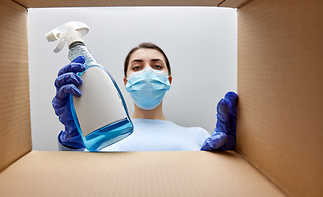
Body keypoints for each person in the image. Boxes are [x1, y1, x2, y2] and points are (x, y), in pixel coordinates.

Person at [53, 42, 237, 151]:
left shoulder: (198, 135)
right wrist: (72, 142)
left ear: (168, 80)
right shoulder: (102, 137)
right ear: (125, 82)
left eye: (157, 66)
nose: (147, 72)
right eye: (137, 67)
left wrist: (230, 159)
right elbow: (76, 177)